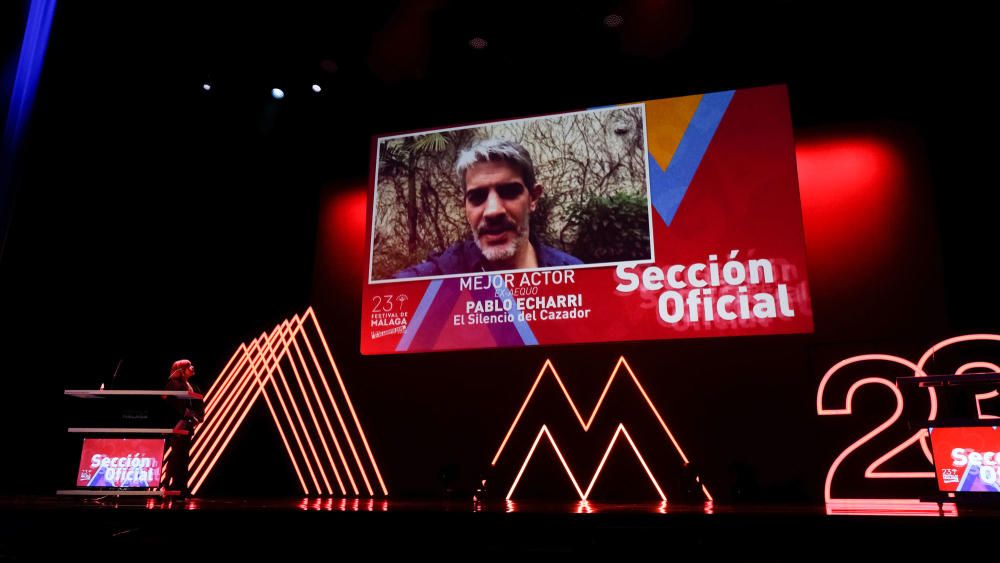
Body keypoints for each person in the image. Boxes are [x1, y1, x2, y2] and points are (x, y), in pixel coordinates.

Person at [393, 139, 581, 278]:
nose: (492, 211)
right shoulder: (440, 277)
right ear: (465, 206)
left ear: (533, 198)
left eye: (508, 192)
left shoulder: (574, 275)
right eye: (477, 197)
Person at [163, 359, 203, 498]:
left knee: (183, 456)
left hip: (188, 424)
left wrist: (197, 417)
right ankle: (171, 486)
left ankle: (181, 487)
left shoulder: (191, 386)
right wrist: (186, 415)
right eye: (189, 366)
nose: (192, 367)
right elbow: (172, 405)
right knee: (177, 455)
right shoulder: (173, 384)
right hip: (178, 424)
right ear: (181, 370)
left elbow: (197, 404)